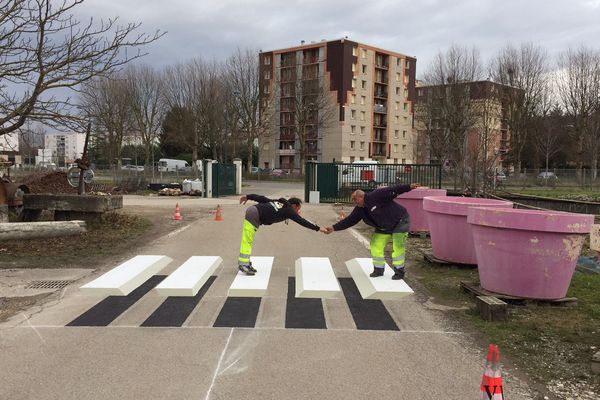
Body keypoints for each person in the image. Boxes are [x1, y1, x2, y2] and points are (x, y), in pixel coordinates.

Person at [324, 183, 419, 280]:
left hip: (400, 220)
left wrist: (408, 187)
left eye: (355, 200)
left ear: (361, 196)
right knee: (375, 245)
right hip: (383, 226)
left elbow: (394, 189)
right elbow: (350, 221)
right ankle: (378, 270)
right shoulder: (359, 209)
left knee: (398, 246)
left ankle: (399, 272)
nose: (354, 202)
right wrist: (333, 228)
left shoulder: (377, 195)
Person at [238, 194, 327, 275]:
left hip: (253, 211)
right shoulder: (289, 211)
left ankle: (246, 263)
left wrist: (248, 196)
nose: (298, 211)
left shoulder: (279, 202)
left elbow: (263, 199)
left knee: (248, 239)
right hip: (254, 214)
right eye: (298, 209)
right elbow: (302, 221)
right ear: (294, 206)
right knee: (247, 240)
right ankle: (243, 264)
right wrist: (318, 228)